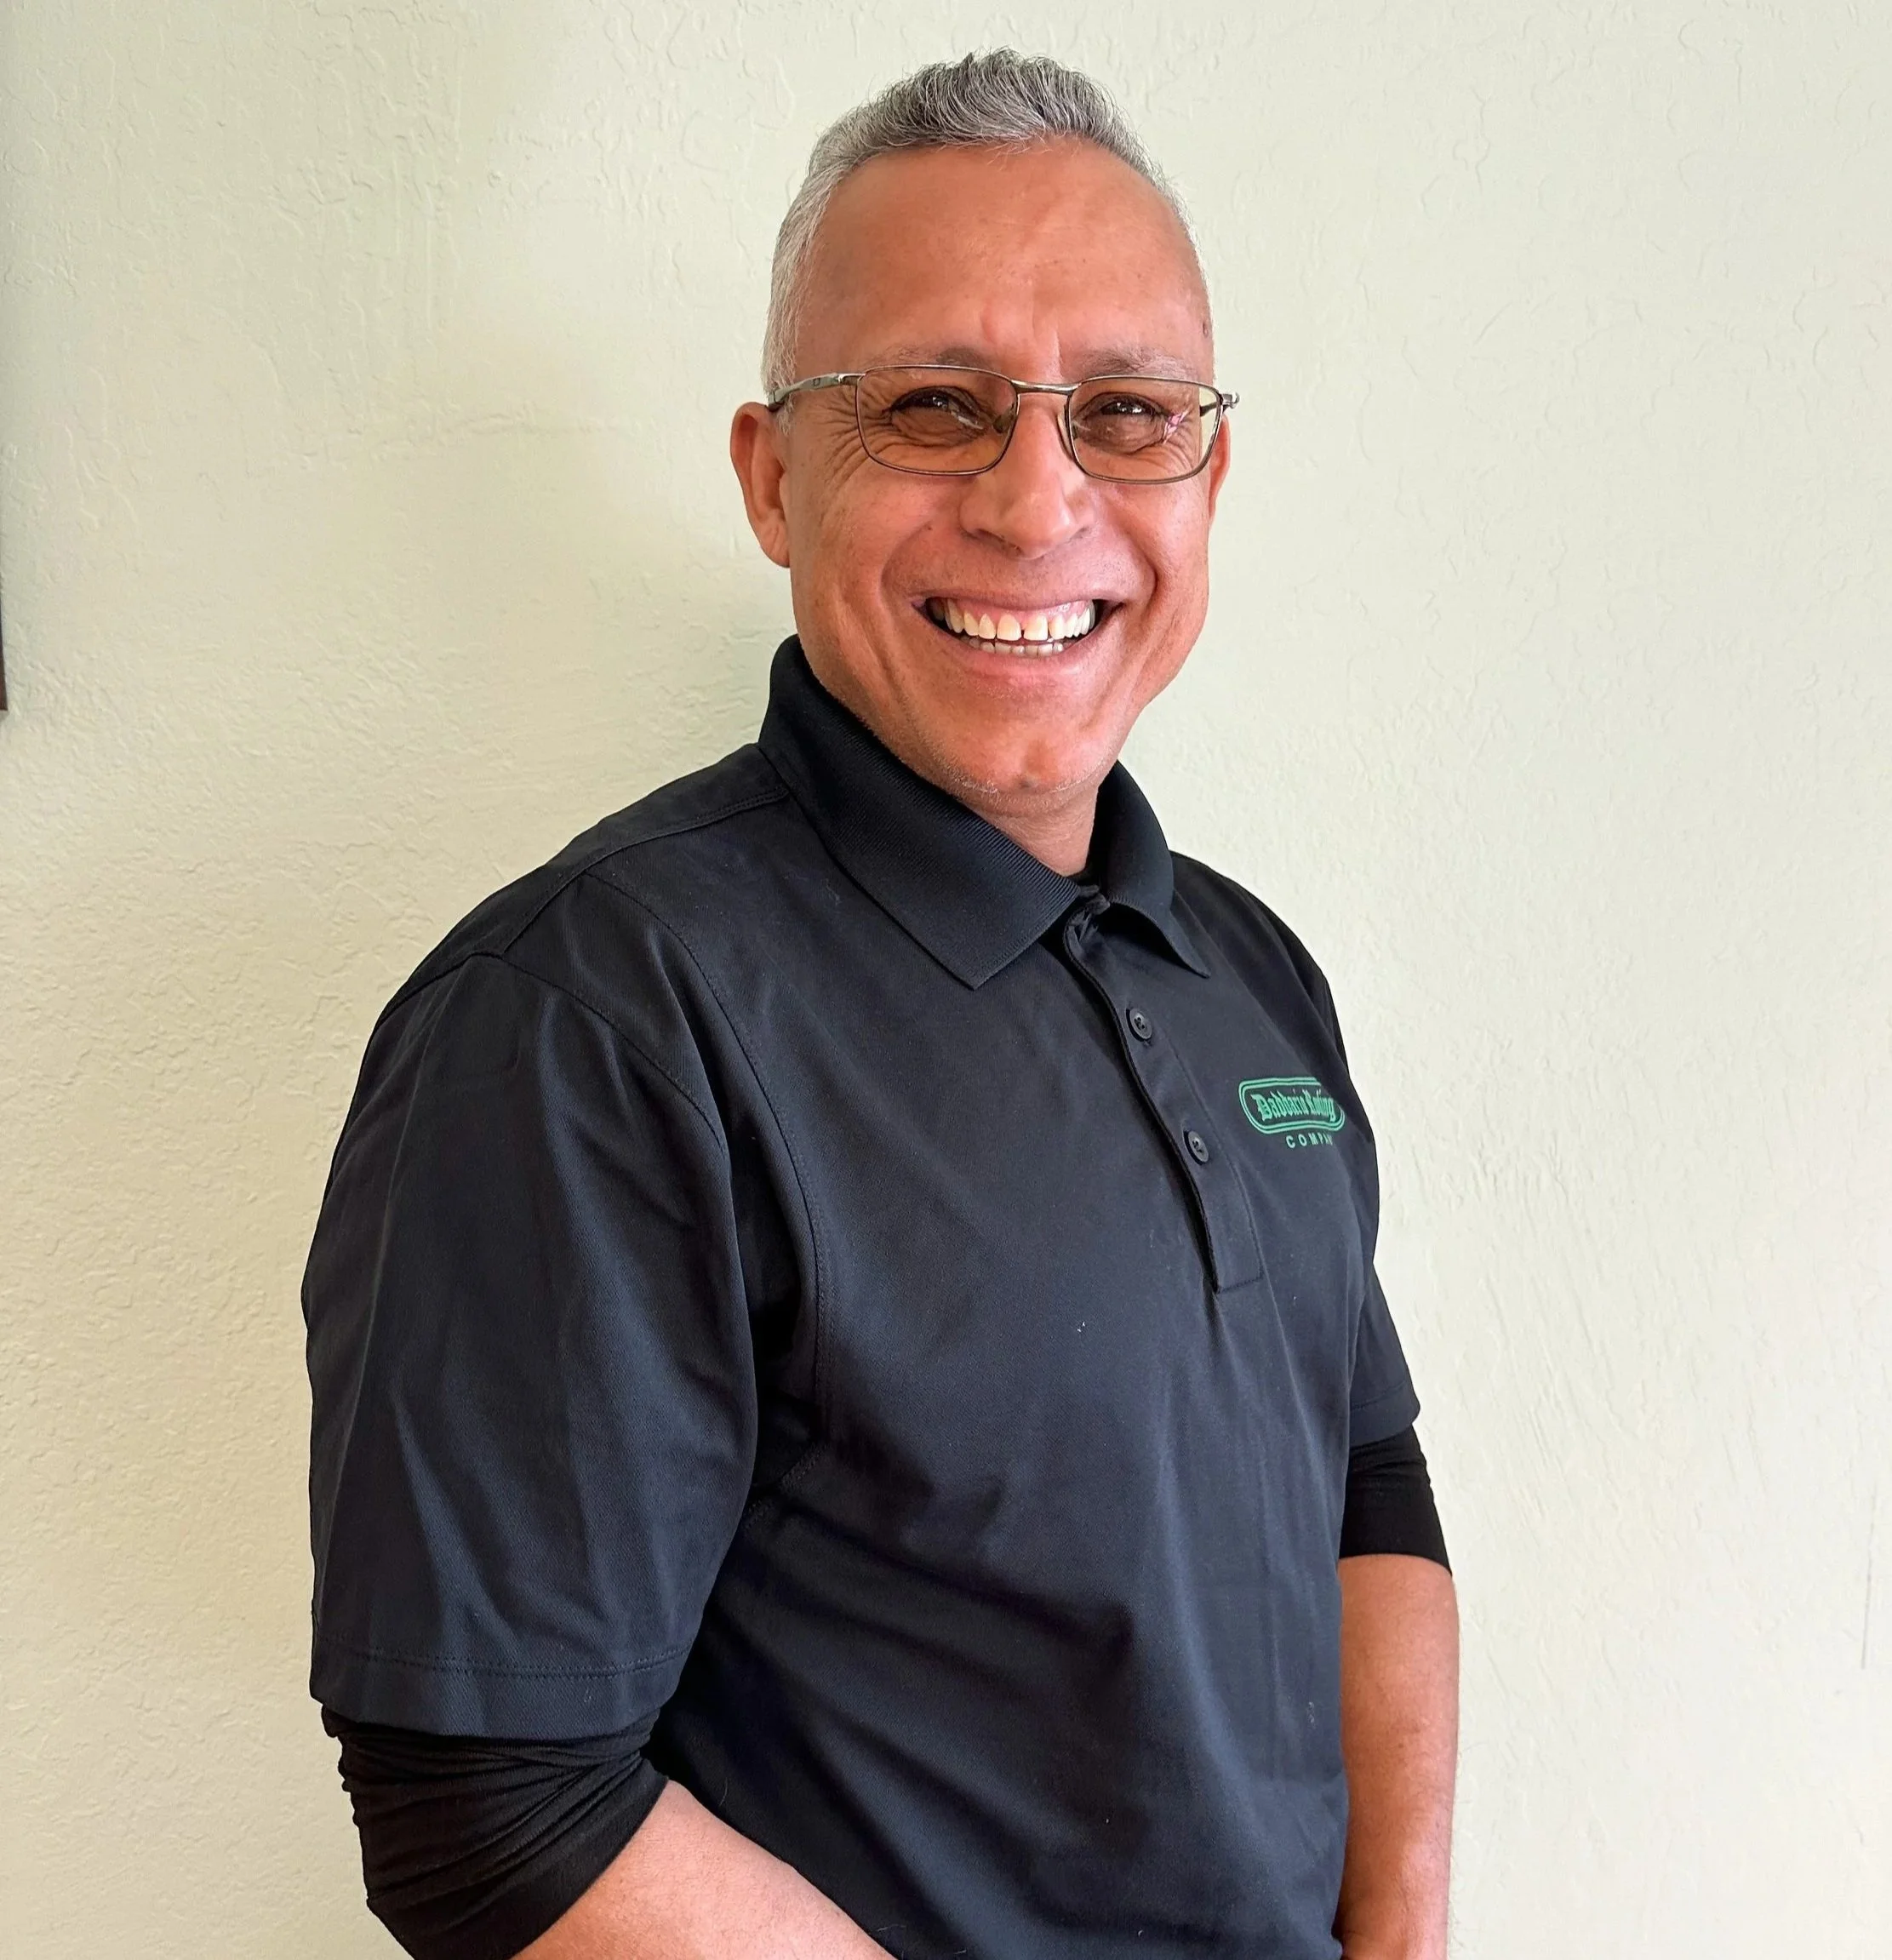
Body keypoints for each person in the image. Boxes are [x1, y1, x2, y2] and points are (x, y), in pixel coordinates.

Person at [305, 50, 1458, 1960]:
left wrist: (1400, 1923)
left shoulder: (1248, 971)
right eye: (932, 405)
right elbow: (488, 1805)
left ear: (1206, 471)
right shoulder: (591, 1015)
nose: (1039, 496)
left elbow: (1361, 1463)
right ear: (773, 475)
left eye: (1126, 410)